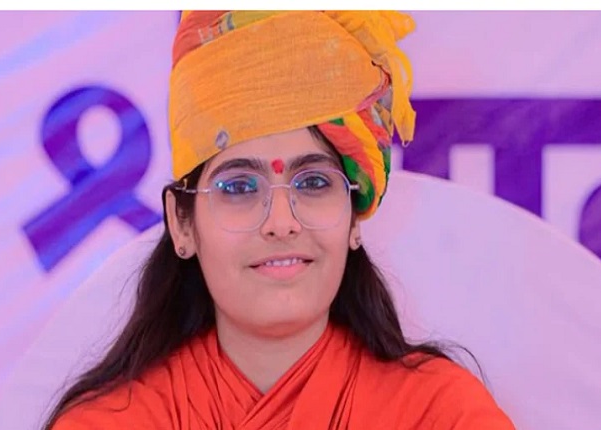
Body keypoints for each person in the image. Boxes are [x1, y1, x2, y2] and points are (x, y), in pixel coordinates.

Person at [46, 11, 515, 429]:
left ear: (354, 217)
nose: (281, 223)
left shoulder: (441, 414)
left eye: (313, 183)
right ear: (182, 223)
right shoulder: (109, 423)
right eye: (238, 188)